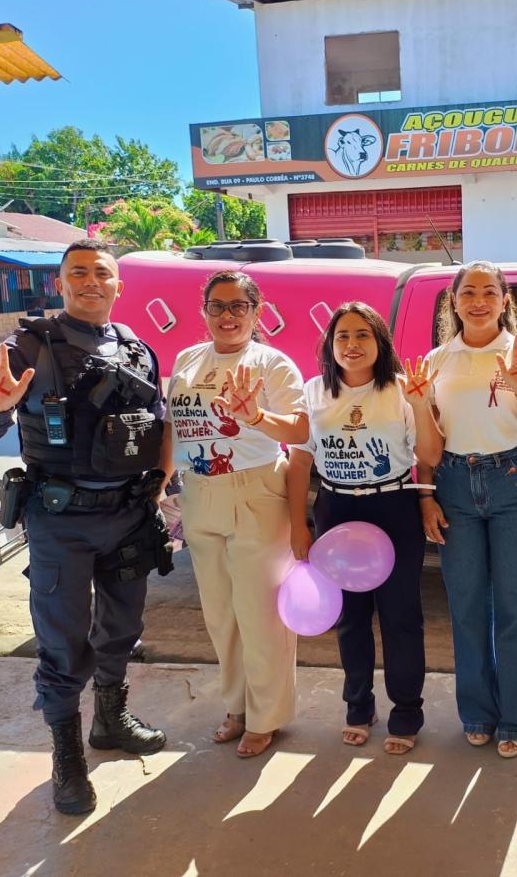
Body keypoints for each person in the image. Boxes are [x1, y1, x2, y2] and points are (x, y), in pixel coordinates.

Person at [0, 238, 172, 815]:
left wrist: (161, 487)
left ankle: (110, 720)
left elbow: (155, 426)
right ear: (60, 283)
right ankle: (67, 755)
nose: (90, 281)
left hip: (129, 514)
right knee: (61, 641)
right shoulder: (28, 346)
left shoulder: (137, 349)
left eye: (101, 273)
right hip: (61, 519)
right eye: (77, 272)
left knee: (122, 626)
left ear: (117, 285)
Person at [166, 270, 308, 759]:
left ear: (256, 312)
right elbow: (173, 429)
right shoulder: (186, 360)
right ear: (203, 310)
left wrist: (255, 418)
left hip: (256, 493)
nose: (227, 316)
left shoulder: (273, 363)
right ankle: (237, 707)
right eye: (217, 306)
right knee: (221, 614)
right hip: (199, 492)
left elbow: (300, 428)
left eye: (238, 307)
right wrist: (159, 485)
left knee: (260, 613)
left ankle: (267, 716)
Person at [288, 302, 442, 755]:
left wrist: (419, 401)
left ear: (380, 343)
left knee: (400, 619)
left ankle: (407, 712)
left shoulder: (400, 390)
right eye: (342, 337)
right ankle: (358, 707)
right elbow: (300, 460)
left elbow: (430, 457)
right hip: (336, 509)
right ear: (330, 345)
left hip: (393, 508)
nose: (352, 345)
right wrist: (300, 523)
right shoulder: (314, 390)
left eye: (362, 336)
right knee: (349, 619)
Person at [418, 261, 517, 759]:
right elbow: (428, 447)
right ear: (453, 301)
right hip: (454, 481)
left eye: (489, 292)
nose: (478, 300)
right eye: (468, 291)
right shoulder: (436, 361)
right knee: (467, 606)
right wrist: (426, 495)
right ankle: (477, 712)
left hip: (514, 480)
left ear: (504, 300)